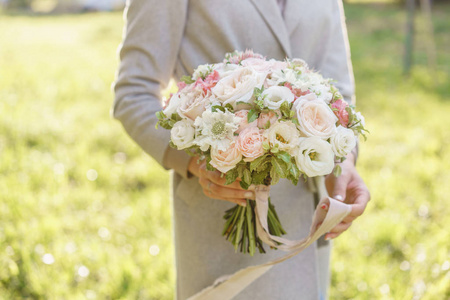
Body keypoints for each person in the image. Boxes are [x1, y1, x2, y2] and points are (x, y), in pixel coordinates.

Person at [112, 0, 370, 299]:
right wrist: (197, 162)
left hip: (307, 220)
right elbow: (134, 93)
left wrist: (343, 161)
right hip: (220, 217)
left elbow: (340, 94)